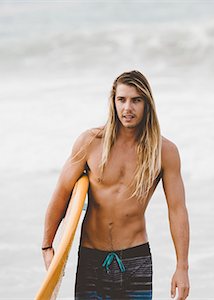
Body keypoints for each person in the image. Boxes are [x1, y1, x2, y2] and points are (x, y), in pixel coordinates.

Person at [41, 70, 190, 300]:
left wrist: (182, 267)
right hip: (91, 258)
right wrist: (47, 245)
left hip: (136, 259)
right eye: (121, 100)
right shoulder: (90, 142)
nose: (127, 108)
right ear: (113, 102)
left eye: (136, 100)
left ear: (147, 104)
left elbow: (177, 210)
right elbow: (62, 193)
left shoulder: (164, 152)